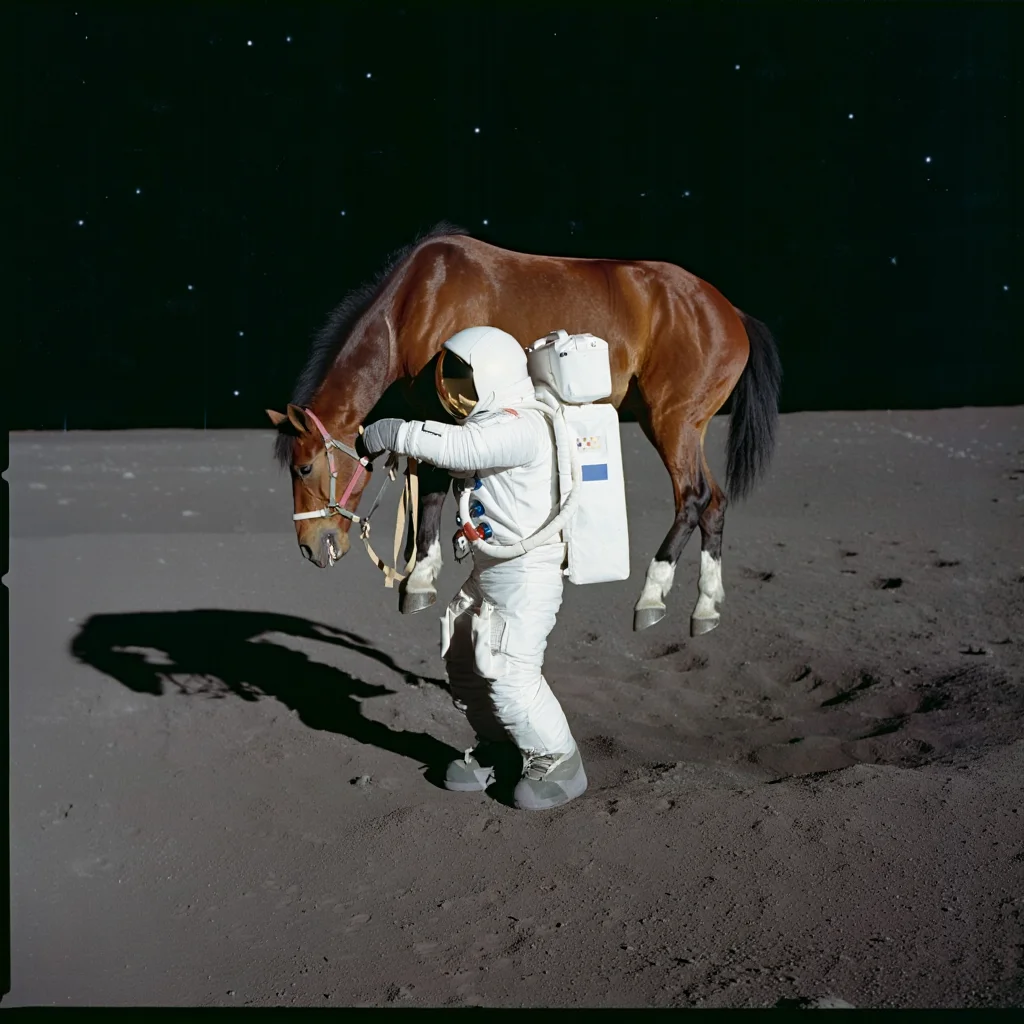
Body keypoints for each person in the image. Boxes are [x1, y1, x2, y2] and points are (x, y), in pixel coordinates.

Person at [358, 325, 587, 811]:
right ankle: (499, 748)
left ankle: (561, 761)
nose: (454, 393)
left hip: (526, 574)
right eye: (451, 381)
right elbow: (467, 454)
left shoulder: (524, 425)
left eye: (464, 382)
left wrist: (392, 430)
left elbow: (461, 450)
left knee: (510, 673)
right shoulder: (493, 426)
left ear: (495, 376)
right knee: (464, 660)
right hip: (491, 568)